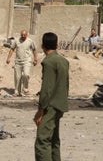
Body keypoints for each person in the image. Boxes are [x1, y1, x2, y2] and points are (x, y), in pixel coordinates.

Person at [34, 32, 69, 161]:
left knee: (42, 141)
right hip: (60, 104)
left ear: (42, 46)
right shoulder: (63, 61)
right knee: (54, 140)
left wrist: (40, 110)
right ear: (57, 45)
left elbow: (46, 89)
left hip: (50, 106)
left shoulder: (49, 62)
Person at [6, 29, 38, 96]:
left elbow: (34, 50)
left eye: (24, 35)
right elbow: (12, 49)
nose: (23, 36)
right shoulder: (16, 40)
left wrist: (35, 59)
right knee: (17, 77)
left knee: (26, 74)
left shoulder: (30, 41)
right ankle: (17, 91)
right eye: (22, 35)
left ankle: (25, 89)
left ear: (27, 35)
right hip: (18, 61)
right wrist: (8, 58)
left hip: (27, 61)